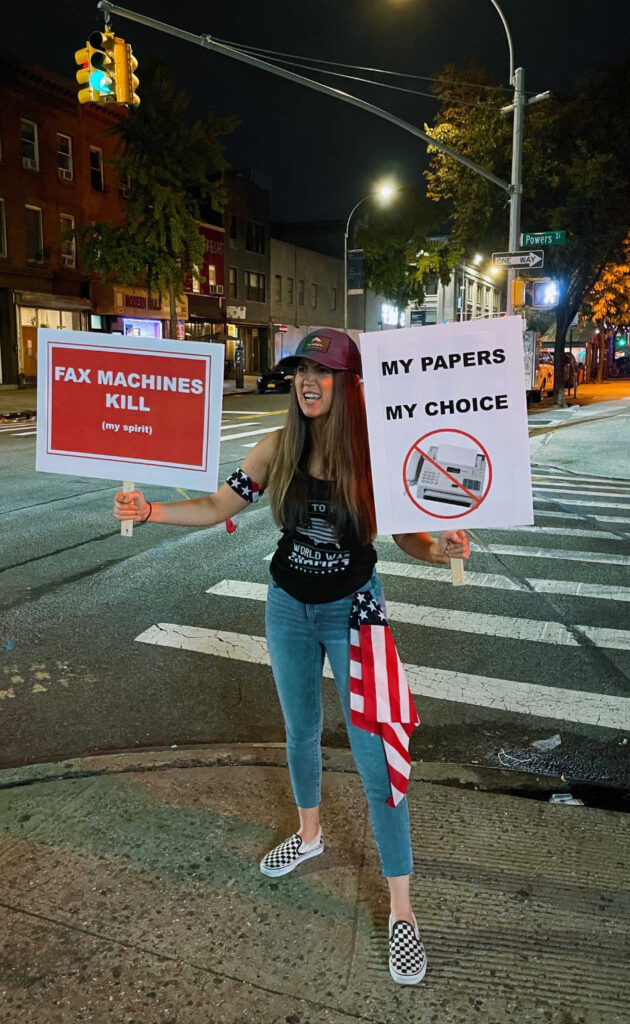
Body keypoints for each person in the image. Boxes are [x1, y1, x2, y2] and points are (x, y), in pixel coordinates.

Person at [113, 328, 470, 985]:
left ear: (348, 384)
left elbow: (410, 540)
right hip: (288, 607)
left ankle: (402, 908)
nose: (309, 380)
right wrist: (150, 509)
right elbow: (217, 505)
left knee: (375, 754)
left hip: (354, 612)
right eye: (302, 369)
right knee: (300, 731)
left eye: (322, 371)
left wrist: (440, 549)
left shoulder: (374, 455)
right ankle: (310, 835)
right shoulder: (277, 449)